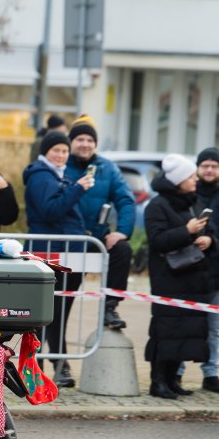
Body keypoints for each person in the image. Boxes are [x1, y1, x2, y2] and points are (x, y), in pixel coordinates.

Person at [23, 131, 95, 387]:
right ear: (46, 152)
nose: (62, 155)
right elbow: (51, 211)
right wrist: (77, 189)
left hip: (67, 252)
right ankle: (38, 369)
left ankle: (56, 366)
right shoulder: (42, 176)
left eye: (65, 151)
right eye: (56, 150)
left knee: (58, 313)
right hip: (50, 253)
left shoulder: (57, 175)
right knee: (45, 314)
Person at [144, 155, 214, 399]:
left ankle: (173, 379)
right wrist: (187, 231)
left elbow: (206, 232)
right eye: (191, 176)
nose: (196, 180)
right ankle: (158, 381)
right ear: (178, 180)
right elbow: (157, 240)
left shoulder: (191, 203)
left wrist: (208, 239)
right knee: (167, 330)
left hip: (191, 277)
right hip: (168, 277)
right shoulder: (157, 205)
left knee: (184, 331)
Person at [175, 147, 219, 394]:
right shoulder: (187, 196)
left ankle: (210, 373)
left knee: (213, 328)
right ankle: (178, 373)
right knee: (185, 324)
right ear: (198, 169)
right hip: (189, 272)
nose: (210, 170)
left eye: (214, 166)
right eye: (205, 166)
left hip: (218, 273)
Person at [64, 115, 135, 330]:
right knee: (63, 300)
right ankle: (59, 353)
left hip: (97, 238)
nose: (85, 144)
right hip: (68, 241)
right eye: (80, 139)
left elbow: (125, 200)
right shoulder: (61, 164)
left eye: (90, 140)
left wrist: (122, 232)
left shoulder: (108, 168)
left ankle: (110, 307)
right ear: (71, 142)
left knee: (122, 250)